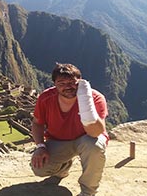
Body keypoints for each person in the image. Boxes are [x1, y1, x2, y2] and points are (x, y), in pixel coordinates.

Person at [30, 63, 108, 196]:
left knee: (95, 146)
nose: (68, 87)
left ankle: (88, 192)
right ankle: (63, 168)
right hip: (58, 141)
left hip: (86, 139)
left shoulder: (94, 98)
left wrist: (86, 109)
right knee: (39, 168)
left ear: (80, 82)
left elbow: (95, 133)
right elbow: (37, 124)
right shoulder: (46, 98)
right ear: (54, 84)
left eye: (72, 82)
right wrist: (41, 146)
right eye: (61, 83)